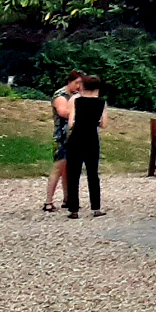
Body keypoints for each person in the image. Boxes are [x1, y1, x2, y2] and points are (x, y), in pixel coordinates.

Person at [62, 74, 107, 218]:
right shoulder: (102, 103)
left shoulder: (76, 101)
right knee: (93, 173)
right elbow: (104, 124)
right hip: (92, 139)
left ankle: (73, 209)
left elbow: (70, 123)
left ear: (83, 86)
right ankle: (96, 207)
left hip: (76, 138)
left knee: (73, 173)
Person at [42, 73, 84, 213]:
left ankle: (68, 198)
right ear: (70, 82)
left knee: (69, 169)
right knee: (58, 167)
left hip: (74, 135)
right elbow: (63, 112)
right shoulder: (60, 95)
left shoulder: (77, 95)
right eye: (76, 83)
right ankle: (48, 201)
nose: (78, 86)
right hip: (62, 137)